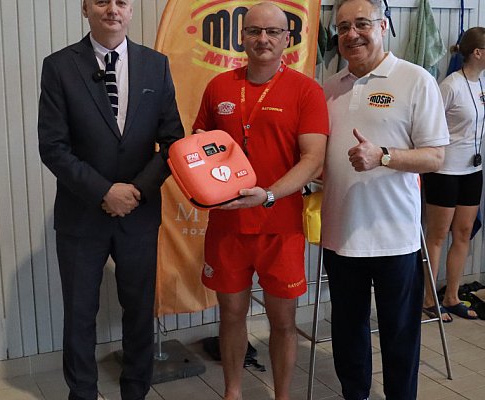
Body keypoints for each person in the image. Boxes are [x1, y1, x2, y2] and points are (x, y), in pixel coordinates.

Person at [37, 0, 184, 398]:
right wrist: (104, 191)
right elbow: (53, 147)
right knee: (79, 314)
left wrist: (135, 192)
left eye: (121, 2)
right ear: (85, 8)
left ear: (131, 10)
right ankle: (82, 393)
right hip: (82, 213)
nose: (112, 10)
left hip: (139, 212)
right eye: (102, 1)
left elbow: (172, 141)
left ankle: (135, 390)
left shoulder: (155, 65)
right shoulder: (59, 67)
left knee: (138, 311)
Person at [192, 3, 329, 399]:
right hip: (228, 226)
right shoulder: (219, 87)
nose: (263, 39)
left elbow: (313, 159)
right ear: (242, 37)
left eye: (272, 32)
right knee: (231, 316)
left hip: (280, 227)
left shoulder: (307, 90)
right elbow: (199, 147)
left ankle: (282, 395)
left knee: (283, 322)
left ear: (288, 39)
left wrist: (268, 195)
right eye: (254, 31)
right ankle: (233, 392)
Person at [321, 0, 450, 399]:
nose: (352, 34)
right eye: (343, 27)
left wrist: (384, 156)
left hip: (395, 237)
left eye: (362, 23)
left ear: (383, 25)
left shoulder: (415, 80)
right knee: (347, 332)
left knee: (399, 334)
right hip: (340, 235)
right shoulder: (329, 87)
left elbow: (436, 157)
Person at [422, 27, 485, 322]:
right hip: (445, 171)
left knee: (463, 233)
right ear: (478, 53)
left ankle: (452, 296)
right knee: (436, 236)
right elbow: (429, 125)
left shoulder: (481, 83)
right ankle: (428, 299)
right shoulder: (450, 86)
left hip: (472, 170)